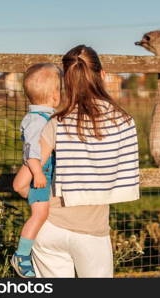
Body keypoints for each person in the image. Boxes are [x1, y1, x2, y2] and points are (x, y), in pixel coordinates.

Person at [32, 45, 140, 277]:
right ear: (102, 75)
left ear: (66, 81)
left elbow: (26, 176)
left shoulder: (57, 122)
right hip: (92, 232)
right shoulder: (122, 121)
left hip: (48, 226)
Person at [11, 63, 62, 278]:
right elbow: (33, 151)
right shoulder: (39, 121)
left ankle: (36, 200)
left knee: (26, 192)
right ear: (54, 96)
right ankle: (22, 255)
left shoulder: (36, 117)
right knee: (40, 214)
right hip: (39, 169)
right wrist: (38, 173)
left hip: (36, 169)